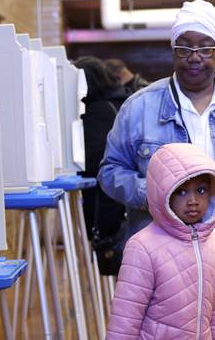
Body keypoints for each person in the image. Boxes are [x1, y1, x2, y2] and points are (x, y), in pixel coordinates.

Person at [99, 0, 215, 340]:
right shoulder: (139, 108)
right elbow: (110, 170)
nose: (194, 56)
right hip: (160, 258)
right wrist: (156, 194)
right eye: (184, 47)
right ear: (173, 51)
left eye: (205, 47)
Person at [107, 143, 215, 339]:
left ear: (213, 191)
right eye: (181, 192)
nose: (193, 200)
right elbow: (125, 321)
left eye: (201, 190)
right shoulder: (142, 247)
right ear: (163, 193)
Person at [75, 56, 131, 275]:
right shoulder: (122, 102)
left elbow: (95, 163)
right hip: (128, 202)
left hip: (108, 204)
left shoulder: (95, 113)